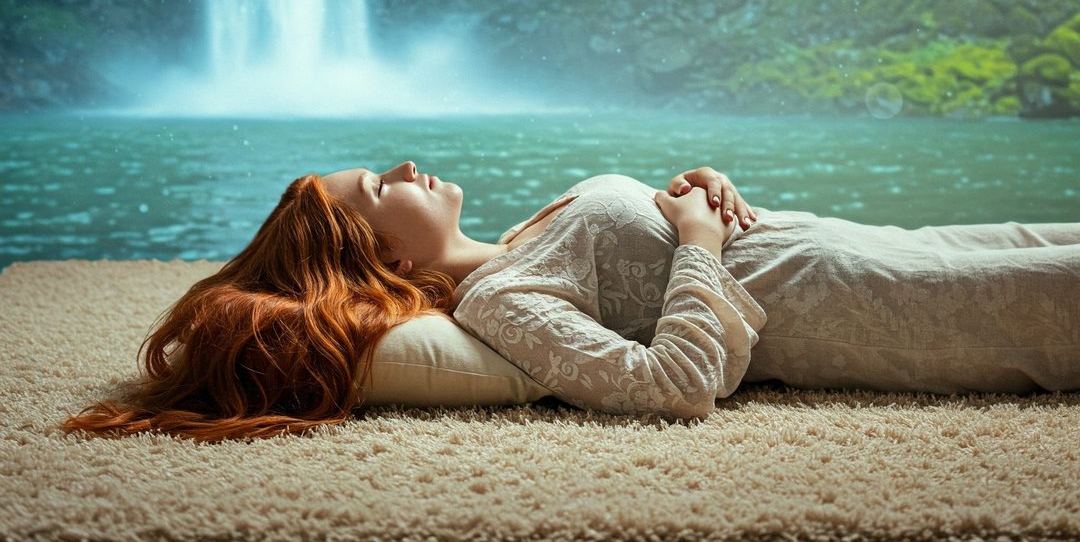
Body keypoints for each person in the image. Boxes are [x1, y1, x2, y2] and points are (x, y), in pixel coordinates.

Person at [64, 162, 1080, 441]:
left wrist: (696, 184)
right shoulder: (499, 300)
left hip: (842, 244)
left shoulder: (511, 244)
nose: (409, 163)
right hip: (859, 302)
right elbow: (670, 386)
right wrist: (692, 242)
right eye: (384, 185)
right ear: (384, 258)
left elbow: (651, 246)